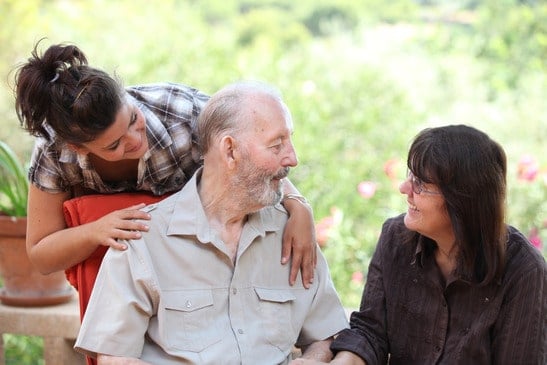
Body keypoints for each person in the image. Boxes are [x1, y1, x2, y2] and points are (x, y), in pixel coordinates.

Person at [74, 81, 349, 364]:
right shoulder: (142, 240)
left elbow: (326, 335)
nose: (293, 158)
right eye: (277, 145)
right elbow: (114, 358)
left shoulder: (292, 234)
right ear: (230, 151)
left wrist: (313, 359)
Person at [13, 41, 316, 288]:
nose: (133, 140)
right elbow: (41, 255)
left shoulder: (185, 113)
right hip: (114, 276)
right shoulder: (53, 153)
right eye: (114, 145)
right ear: (77, 148)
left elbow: (251, 156)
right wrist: (96, 230)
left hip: (197, 262)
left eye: (133, 119)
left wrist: (298, 204)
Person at [297, 125, 547, 365]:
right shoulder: (395, 238)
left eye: (421, 184)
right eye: (409, 175)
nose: (404, 188)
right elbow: (371, 332)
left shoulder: (524, 271)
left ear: (462, 201)